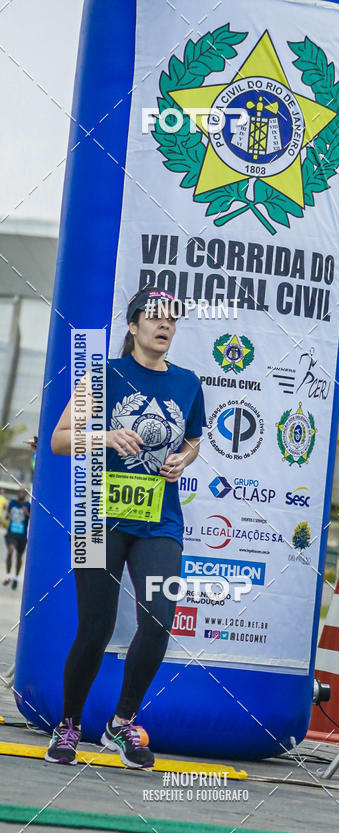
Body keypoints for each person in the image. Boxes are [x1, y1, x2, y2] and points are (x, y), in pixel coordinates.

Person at [45, 287, 206, 767]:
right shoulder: (104, 375)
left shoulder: (188, 383)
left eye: (171, 320)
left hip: (160, 519)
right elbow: (57, 440)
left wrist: (182, 459)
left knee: (159, 619)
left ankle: (121, 724)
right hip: (100, 515)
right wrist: (106, 435)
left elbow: (194, 439)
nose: (164, 325)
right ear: (133, 326)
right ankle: (69, 725)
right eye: (154, 317)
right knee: (96, 627)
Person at [3, 487, 31, 590]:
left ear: (26, 495)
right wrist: (8, 515)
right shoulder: (12, 503)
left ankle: (16, 578)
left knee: (19, 557)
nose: (21, 493)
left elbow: (32, 519)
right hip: (11, 533)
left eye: (23, 492)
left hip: (22, 536)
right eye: (20, 492)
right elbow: (7, 516)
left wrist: (26, 513)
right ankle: (8, 576)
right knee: (10, 551)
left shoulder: (28, 505)